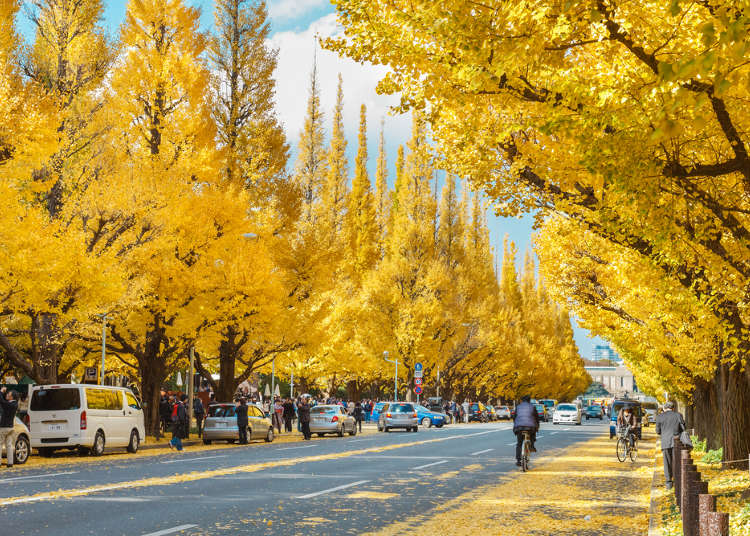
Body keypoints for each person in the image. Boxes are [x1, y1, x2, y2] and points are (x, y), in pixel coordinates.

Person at [655, 401, 686, 490]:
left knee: (667, 462)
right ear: (673, 408)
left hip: (665, 442)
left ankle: (669, 483)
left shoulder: (660, 417)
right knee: (677, 461)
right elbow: (683, 428)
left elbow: (657, 431)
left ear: (665, 408)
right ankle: (677, 481)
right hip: (677, 442)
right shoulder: (678, 415)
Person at [513, 395, 539, 467]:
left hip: (519, 427)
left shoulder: (518, 407)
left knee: (519, 443)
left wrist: (515, 425)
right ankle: (532, 446)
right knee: (533, 434)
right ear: (529, 400)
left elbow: (514, 417)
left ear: (522, 400)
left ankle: (518, 460)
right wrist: (537, 427)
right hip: (530, 427)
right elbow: (536, 418)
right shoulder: (532, 407)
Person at [0, 388, 18, 467]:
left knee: (0, 444)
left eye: (8, 394)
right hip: (11, 427)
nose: (7, 394)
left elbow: (2, 401)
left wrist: (1, 391)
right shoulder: (14, 404)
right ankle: (10, 463)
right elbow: (4, 401)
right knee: (9, 445)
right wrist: (3, 394)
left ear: (12, 397)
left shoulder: (9, 404)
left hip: (4, 427)